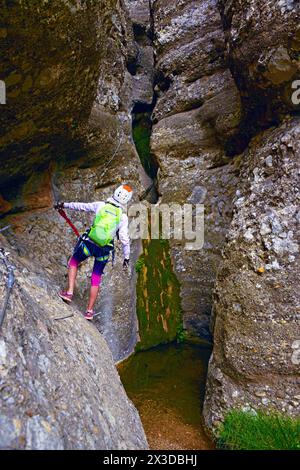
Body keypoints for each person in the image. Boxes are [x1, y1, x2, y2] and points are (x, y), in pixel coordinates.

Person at [55, 184, 132, 320]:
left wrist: (63, 204)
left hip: (89, 245)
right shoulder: (122, 217)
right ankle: (89, 311)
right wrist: (126, 258)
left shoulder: (100, 205)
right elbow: (125, 240)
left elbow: (81, 206)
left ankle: (69, 292)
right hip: (104, 250)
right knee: (96, 278)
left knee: (74, 262)